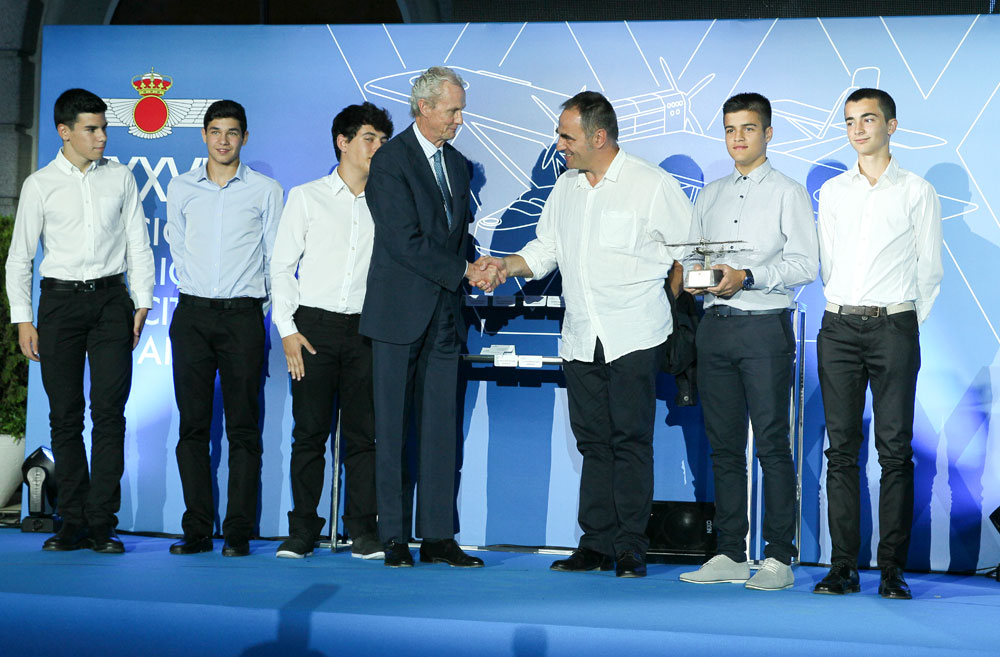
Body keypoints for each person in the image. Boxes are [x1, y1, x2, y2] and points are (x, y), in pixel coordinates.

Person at [478, 91, 692, 578]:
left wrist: (674, 308)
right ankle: (595, 544)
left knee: (631, 441)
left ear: (599, 136)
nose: (559, 145)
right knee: (593, 443)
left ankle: (632, 546)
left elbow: (686, 252)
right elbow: (544, 250)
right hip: (580, 337)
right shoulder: (566, 189)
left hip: (634, 334)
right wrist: (503, 267)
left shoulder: (651, 185)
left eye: (566, 136)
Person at [677, 93, 818, 590]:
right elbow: (694, 258)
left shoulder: (788, 192)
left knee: (773, 444)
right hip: (714, 326)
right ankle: (731, 552)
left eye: (749, 129)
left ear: (768, 134)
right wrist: (693, 278)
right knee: (724, 446)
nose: (738, 138)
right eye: (731, 129)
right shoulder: (709, 193)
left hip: (764, 325)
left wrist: (749, 276)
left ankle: (779, 555)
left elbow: (805, 264)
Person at [5, 88, 154, 553]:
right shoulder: (40, 184)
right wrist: (23, 319)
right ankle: (70, 520)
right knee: (65, 417)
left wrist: (143, 302)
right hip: (59, 305)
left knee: (110, 414)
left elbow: (139, 245)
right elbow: (20, 259)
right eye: (92, 129)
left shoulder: (121, 178)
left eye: (104, 127)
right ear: (64, 132)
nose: (102, 137)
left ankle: (101, 521)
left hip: (112, 302)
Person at [361, 66, 497, 568]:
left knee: (442, 430)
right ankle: (393, 536)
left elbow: (455, 236)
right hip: (398, 315)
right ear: (424, 108)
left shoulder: (458, 165)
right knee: (393, 429)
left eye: (460, 110)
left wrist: (481, 265)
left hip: (444, 314)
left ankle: (439, 535)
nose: (460, 119)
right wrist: (464, 270)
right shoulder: (390, 162)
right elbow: (403, 241)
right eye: (453, 110)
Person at [813, 88, 942, 600]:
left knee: (895, 452)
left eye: (868, 119)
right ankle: (843, 566)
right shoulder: (833, 191)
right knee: (840, 452)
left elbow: (929, 271)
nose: (858, 129)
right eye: (849, 121)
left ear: (892, 125)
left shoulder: (916, 190)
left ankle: (891, 569)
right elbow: (828, 261)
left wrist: (902, 321)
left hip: (893, 328)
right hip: (839, 328)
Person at [269, 102, 393, 560]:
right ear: (343, 141)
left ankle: (363, 530)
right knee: (309, 435)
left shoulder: (388, 202)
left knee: (365, 437)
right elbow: (281, 267)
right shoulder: (306, 196)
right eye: (369, 138)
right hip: (313, 328)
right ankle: (302, 530)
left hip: (367, 330)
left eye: (382, 140)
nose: (377, 148)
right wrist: (286, 329)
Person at [165, 100, 283, 557]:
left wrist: (264, 313)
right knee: (192, 427)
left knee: (243, 428)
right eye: (215, 131)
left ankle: (237, 531)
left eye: (232, 132)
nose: (223, 140)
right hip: (191, 314)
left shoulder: (266, 190)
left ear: (245, 138)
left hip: (242, 317)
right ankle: (195, 529)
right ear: (203, 135)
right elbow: (176, 242)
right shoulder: (180, 188)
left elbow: (276, 258)